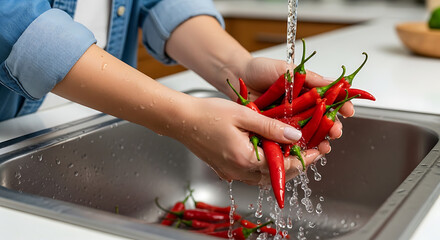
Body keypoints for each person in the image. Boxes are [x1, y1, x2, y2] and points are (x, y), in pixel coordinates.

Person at [0, 0, 353, 185]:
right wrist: (185, 118)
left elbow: (161, 2)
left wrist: (237, 69)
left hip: (85, 113)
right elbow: (12, 20)